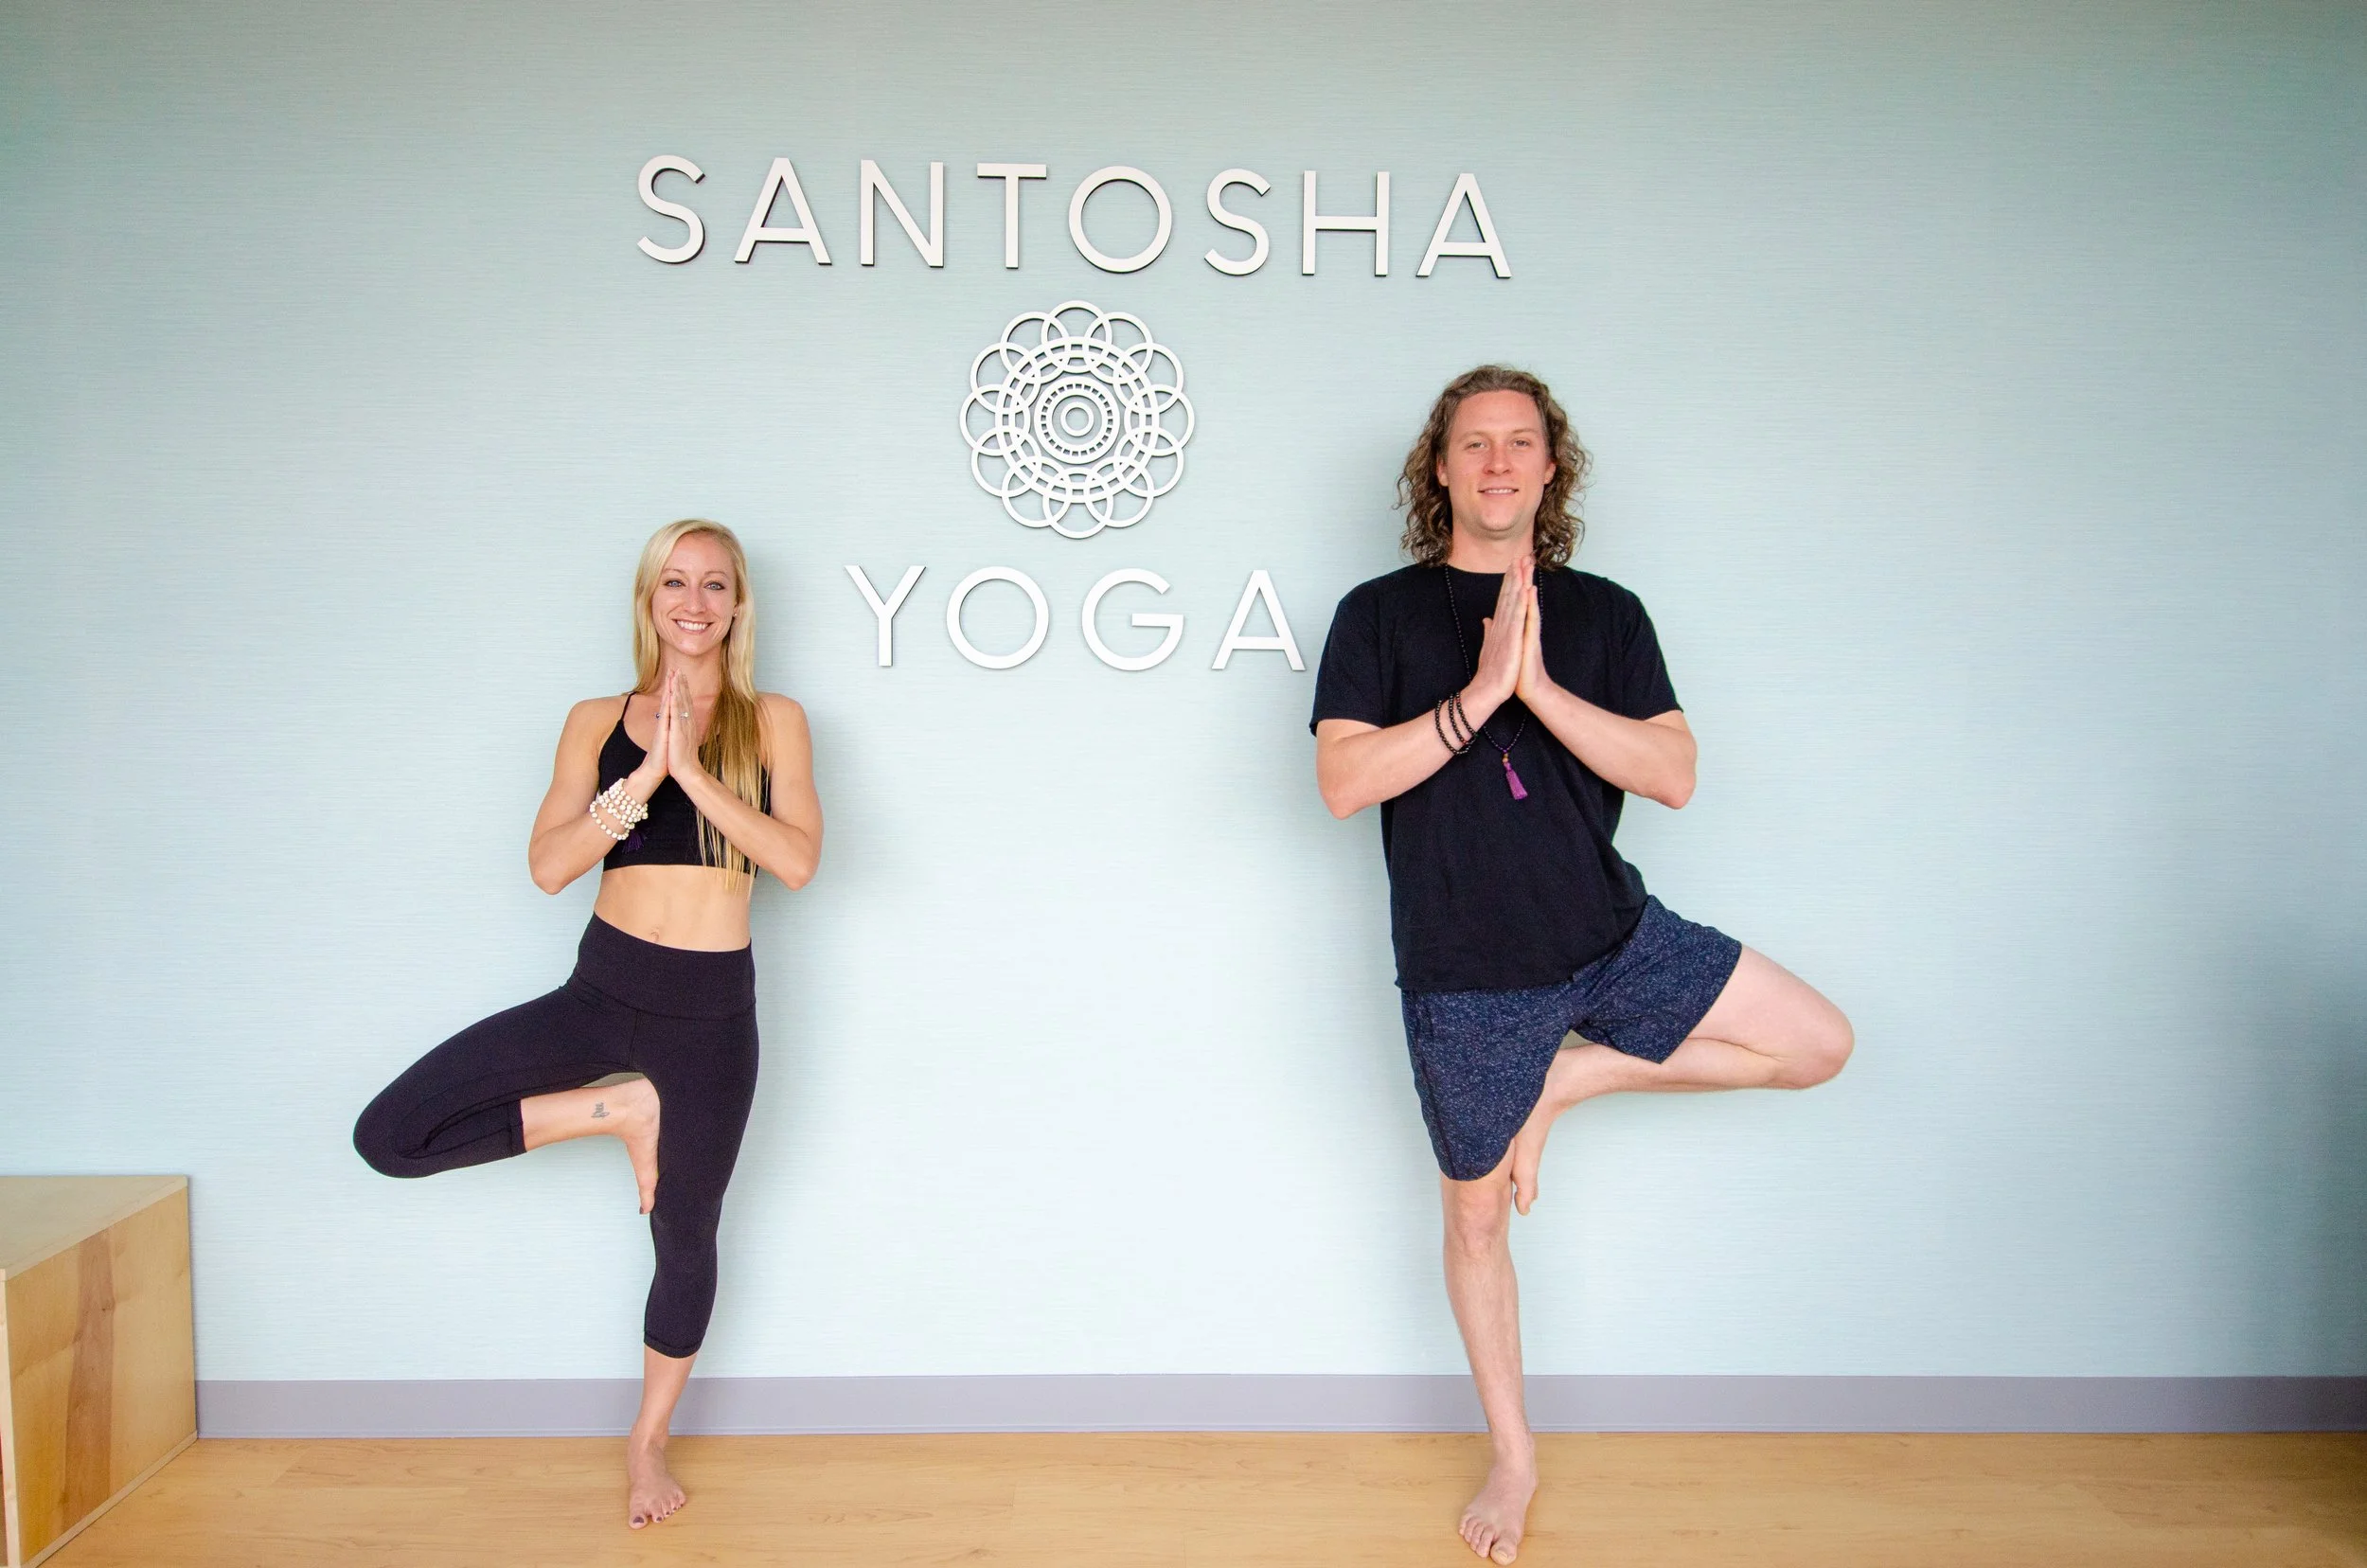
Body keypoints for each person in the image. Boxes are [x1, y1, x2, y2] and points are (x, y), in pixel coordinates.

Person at [1310, 367, 1852, 1564]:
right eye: (1472, 445)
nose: (1497, 464)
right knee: (1474, 1221)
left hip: (1610, 937)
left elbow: (1672, 773)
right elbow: (1346, 782)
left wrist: (1538, 684)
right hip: (1463, 975)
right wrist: (1475, 694)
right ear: (1438, 469)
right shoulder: (1379, 616)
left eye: (1519, 444)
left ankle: (1574, 1079)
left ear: (1549, 469)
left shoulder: (1605, 613)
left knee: (1818, 1042)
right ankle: (1515, 1457)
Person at [353, 519, 822, 1529]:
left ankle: (645, 1442)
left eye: (714, 586)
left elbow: (794, 861)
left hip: (709, 1018)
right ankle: (614, 1110)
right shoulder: (591, 721)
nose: (693, 604)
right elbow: (549, 866)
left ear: (739, 605)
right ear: (648, 601)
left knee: (685, 1235)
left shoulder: (772, 719)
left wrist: (693, 770)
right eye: (674, 585)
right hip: (600, 995)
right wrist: (644, 775)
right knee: (388, 1137)